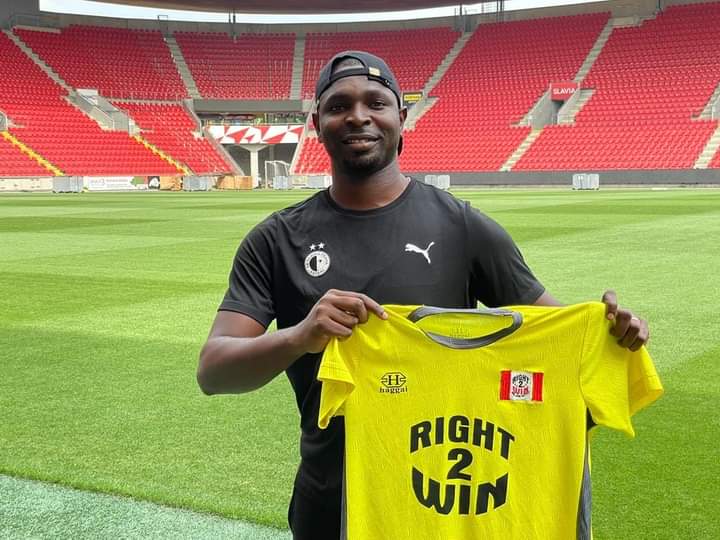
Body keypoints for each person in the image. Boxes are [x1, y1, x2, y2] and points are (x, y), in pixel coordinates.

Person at [197, 51, 650, 540]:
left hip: (440, 510)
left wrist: (610, 336)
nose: (358, 116)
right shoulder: (275, 240)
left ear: (401, 117)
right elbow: (213, 372)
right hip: (329, 502)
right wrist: (299, 337)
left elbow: (559, 342)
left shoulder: (463, 227)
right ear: (316, 124)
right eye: (339, 106)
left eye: (376, 103)